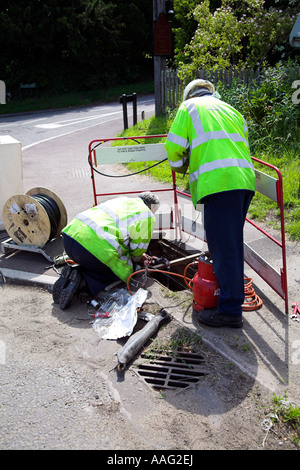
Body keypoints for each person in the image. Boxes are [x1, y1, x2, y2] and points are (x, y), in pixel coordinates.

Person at [165, 79, 256, 328]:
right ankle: (230, 299)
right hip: (243, 182)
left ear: (188, 96)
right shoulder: (231, 110)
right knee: (231, 245)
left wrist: (182, 167)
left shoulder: (189, 108)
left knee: (224, 249)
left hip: (219, 185)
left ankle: (229, 311)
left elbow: (173, 148)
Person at [53, 192, 160, 309]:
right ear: (152, 208)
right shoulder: (147, 215)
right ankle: (82, 281)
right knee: (122, 271)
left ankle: (72, 273)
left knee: (98, 260)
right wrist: (136, 260)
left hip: (70, 239)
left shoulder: (122, 200)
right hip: (90, 249)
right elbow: (137, 249)